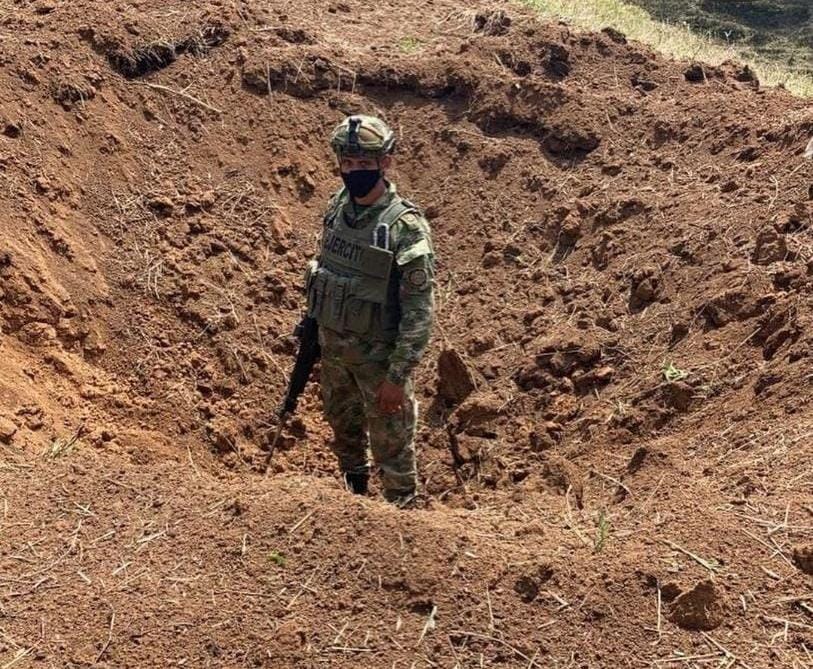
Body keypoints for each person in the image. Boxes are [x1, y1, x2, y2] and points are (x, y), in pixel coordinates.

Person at [303, 114, 435, 506]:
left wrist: (397, 376)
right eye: (348, 163)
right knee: (344, 434)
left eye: (363, 164)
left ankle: (404, 521)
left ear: (384, 162)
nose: (354, 171)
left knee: (392, 449)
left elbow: (419, 312)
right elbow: (327, 270)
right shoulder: (337, 208)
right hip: (335, 357)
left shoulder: (404, 227)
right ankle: (353, 505)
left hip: (380, 366)